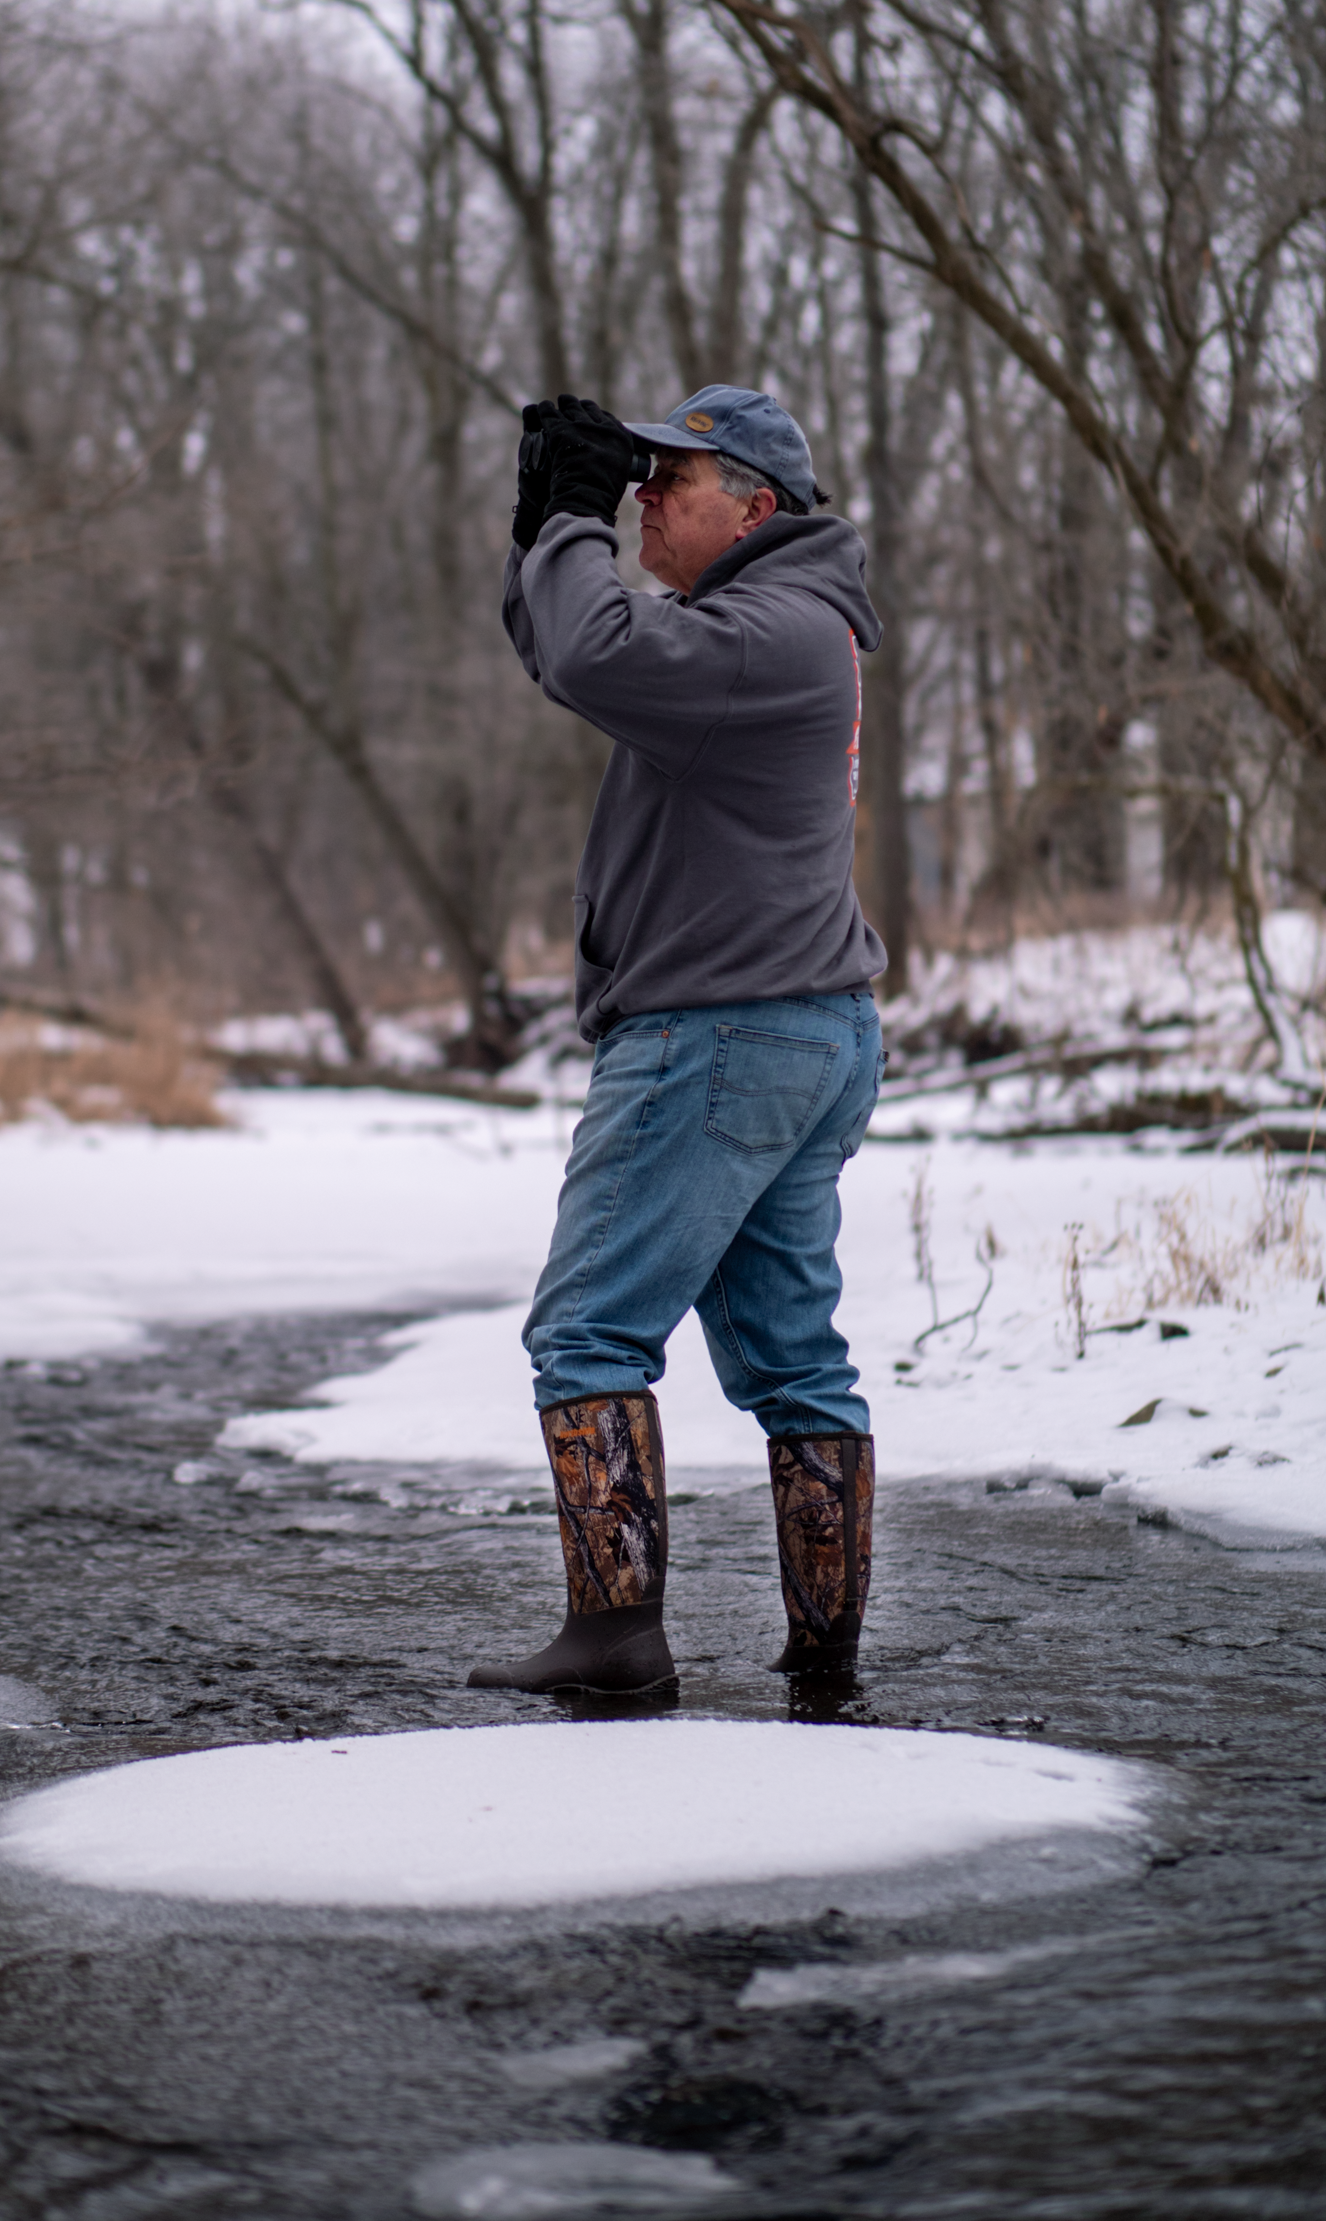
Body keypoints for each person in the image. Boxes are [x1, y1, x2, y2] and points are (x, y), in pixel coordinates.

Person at [467, 386, 887, 1696]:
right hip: (795, 1027)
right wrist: (551, 524)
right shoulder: (775, 624)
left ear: (755, 507)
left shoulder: (772, 634)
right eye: (636, 477)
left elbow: (592, 656)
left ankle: (616, 1641)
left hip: (718, 1036)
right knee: (793, 1354)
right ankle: (824, 1654)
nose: (647, 494)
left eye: (674, 477)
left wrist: (575, 522)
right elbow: (565, 652)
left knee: (587, 1331)